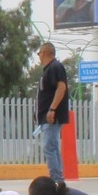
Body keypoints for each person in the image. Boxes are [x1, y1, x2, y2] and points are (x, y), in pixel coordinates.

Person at [36, 43, 69, 182]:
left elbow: (61, 88)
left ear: (44, 52)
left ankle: (56, 179)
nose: (38, 56)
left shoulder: (55, 67)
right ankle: (57, 177)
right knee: (51, 147)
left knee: (50, 147)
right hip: (46, 117)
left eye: (39, 53)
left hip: (51, 117)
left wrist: (52, 109)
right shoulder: (48, 70)